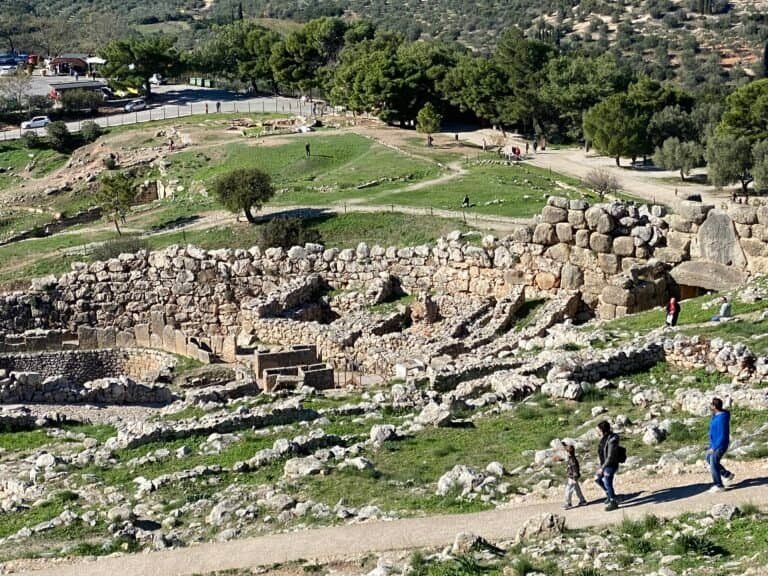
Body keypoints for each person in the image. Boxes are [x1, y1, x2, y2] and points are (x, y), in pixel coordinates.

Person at [707, 397, 734, 493]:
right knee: (708, 458)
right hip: (714, 444)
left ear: (714, 406)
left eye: (711, 404)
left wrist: (714, 448)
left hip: (720, 445)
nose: (710, 405)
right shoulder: (717, 415)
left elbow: (722, 435)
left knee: (713, 461)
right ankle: (727, 475)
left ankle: (719, 485)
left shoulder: (721, 419)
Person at [595, 420, 620, 511]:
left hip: (610, 465)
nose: (597, 431)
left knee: (607, 482)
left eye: (598, 429)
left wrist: (602, 468)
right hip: (604, 465)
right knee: (597, 479)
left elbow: (609, 456)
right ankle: (609, 495)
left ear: (602, 430)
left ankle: (613, 502)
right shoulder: (603, 438)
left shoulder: (611, 439)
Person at [562, 443, 587, 509]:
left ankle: (568, 503)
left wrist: (574, 478)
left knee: (568, 490)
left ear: (568, 452)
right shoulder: (572, 458)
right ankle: (582, 501)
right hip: (573, 477)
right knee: (577, 489)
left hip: (572, 477)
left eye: (566, 452)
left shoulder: (572, 460)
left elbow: (575, 470)